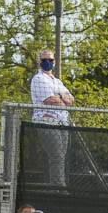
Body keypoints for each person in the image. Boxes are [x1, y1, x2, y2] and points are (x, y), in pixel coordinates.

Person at [30, 48, 76, 187]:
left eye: (50, 60)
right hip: (46, 121)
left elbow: (71, 99)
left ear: (54, 62)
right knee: (56, 154)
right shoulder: (38, 79)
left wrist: (61, 98)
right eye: (44, 60)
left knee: (61, 156)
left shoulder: (57, 81)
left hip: (62, 122)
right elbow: (49, 99)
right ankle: (58, 186)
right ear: (39, 61)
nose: (47, 62)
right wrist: (62, 99)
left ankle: (59, 185)